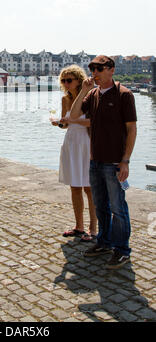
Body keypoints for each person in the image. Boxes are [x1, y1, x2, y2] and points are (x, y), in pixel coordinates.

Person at [70, 55, 137, 269]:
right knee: (101, 206)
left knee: (118, 207)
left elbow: (131, 129)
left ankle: (122, 250)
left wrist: (125, 160)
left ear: (111, 69)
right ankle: (105, 242)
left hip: (114, 162)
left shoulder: (124, 94)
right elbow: (73, 115)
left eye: (98, 68)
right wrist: (82, 90)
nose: (94, 72)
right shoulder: (93, 94)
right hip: (95, 161)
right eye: (92, 68)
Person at [51, 65, 97, 241]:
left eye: (69, 80)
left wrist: (73, 119)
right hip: (71, 143)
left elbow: (95, 122)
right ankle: (79, 226)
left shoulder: (90, 97)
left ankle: (93, 229)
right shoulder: (65, 99)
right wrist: (59, 123)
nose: (66, 83)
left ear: (79, 80)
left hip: (87, 143)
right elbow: (66, 125)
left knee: (90, 188)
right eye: (63, 80)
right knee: (75, 187)